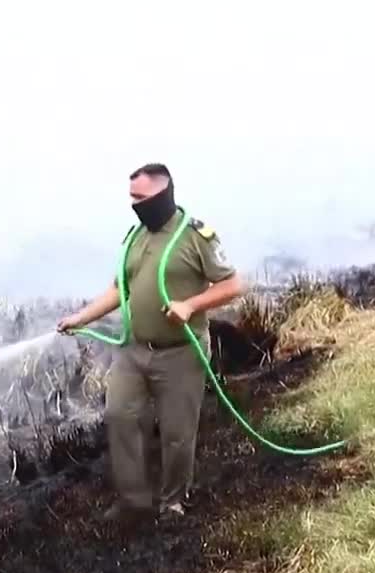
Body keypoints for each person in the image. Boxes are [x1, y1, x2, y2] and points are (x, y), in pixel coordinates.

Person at [57, 163, 244, 524]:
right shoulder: (135, 235)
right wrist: (82, 317)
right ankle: (133, 501)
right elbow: (119, 289)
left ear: (163, 194)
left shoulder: (195, 236)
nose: (134, 204)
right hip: (134, 351)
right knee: (119, 416)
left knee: (177, 433)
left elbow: (233, 284)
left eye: (140, 198)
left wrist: (190, 305)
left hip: (179, 355)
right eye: (131, 197)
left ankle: (172, 502)